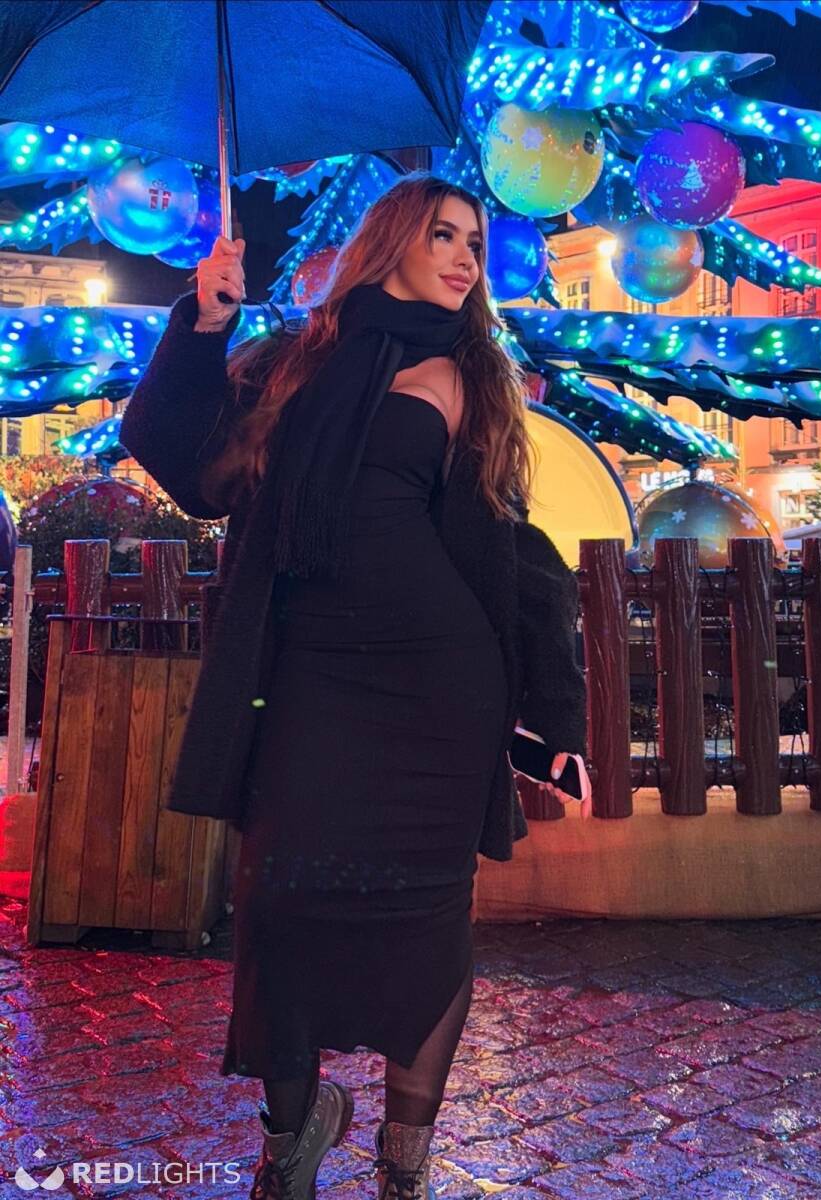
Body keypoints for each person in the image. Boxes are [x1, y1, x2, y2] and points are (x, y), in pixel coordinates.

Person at [119, 174, 587, 1200]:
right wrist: (202, 322)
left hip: (439, 692)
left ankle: (403, 1166)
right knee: (278, 901)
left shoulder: (475, 377)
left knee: (426, 923)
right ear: (392, 241)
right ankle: (291, 1142)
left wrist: (554, 716)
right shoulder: (293, 361)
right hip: (308, 681)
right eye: (444, 235)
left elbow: (516, 552)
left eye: (474, 242)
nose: (465, 257)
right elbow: (185, 462)